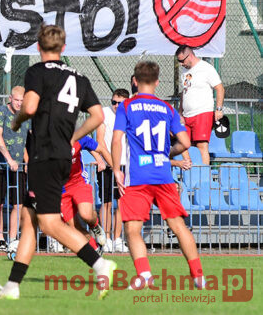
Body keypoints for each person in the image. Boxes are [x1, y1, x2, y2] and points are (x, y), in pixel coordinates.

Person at [0, 25, 116, 300]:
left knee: (49, 224)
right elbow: (97, 116)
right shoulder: (79, 77)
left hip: (45, 155)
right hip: (61, 156)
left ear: (38, 47)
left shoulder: (37, 72)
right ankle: (13, 286)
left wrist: (17, 121)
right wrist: (74, 136)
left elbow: (29, 107)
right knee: (29, 220)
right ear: (63, 48)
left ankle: (100, 264)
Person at [112, 60, 204, 290]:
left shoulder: (126, 106)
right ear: (157, 82)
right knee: (178, 226)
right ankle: (198, 276)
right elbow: (186, 142)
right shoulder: (167, 108)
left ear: (135, 81)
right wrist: (165, 154)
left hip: (138, 176)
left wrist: (116, 169)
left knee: (132, 229)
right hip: (163, 175)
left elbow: (116, 139)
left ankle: (144, 275)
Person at [0, 86, 27, 253]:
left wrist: (27, 162)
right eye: (16, 100)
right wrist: (9, 159)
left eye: (22, 101)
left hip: (18, 166)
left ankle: (12, 239)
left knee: (18, 203)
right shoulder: (1, 111)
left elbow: (26, 141)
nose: (19, 103)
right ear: (10, 98)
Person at [60, 134, 111, 251]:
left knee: (86, 214)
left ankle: (95, 225)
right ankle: (95, 249)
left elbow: (100, 149)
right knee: (73, 226)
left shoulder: (78, 137)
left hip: (79, 182)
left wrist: (117, 171)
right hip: (61, 189)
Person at [176, 45, 224, 166]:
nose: (181, 64)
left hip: (203, 112)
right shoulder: (184, 71)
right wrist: (180, 113)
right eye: (179, 61)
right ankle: (190, 172)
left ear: (190, 56)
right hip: (187, 115)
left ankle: (204, 173)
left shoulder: (206, 68)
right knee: (185, 144)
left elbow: (219, 88)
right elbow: (184, 92)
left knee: (201, 145)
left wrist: (218, 109)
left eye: (182, 61)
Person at [96, 88, 129, 253]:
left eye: (120, 103)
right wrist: (113, 165)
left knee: (122, 203)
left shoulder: (131, 115)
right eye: (113, 102)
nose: (116, 105)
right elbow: (100, 141)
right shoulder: (104, 113)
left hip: (125, 164)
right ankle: (106, 238)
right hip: (109, 165)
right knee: (107, 203)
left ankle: (117, 239)